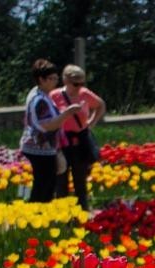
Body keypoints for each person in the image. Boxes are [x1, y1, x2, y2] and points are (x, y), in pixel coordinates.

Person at [20, 59, 81, 203]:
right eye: (51, 79)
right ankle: (37, 216)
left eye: (56, 78)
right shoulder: (39, 99)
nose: (55, 82)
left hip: (42, 147)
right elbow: (48, 125)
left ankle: (41, 214)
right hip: (39, 149)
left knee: (46, 185)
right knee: (43, 187)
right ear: (41, 79)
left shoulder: (41, 93)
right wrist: (67, 113)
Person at [50, 64, 106, 211]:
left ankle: (83, 213)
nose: (79, 86)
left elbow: (100, 105)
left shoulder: (84, 93)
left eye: (82, 83)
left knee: (80, 180)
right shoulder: (54, 96)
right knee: (61, 181)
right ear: (66, 81)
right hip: (61, 142)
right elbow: (48, 119)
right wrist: (66, 114)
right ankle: (63, 214)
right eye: (76, 83)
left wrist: (91, 122)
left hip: (80, 140)